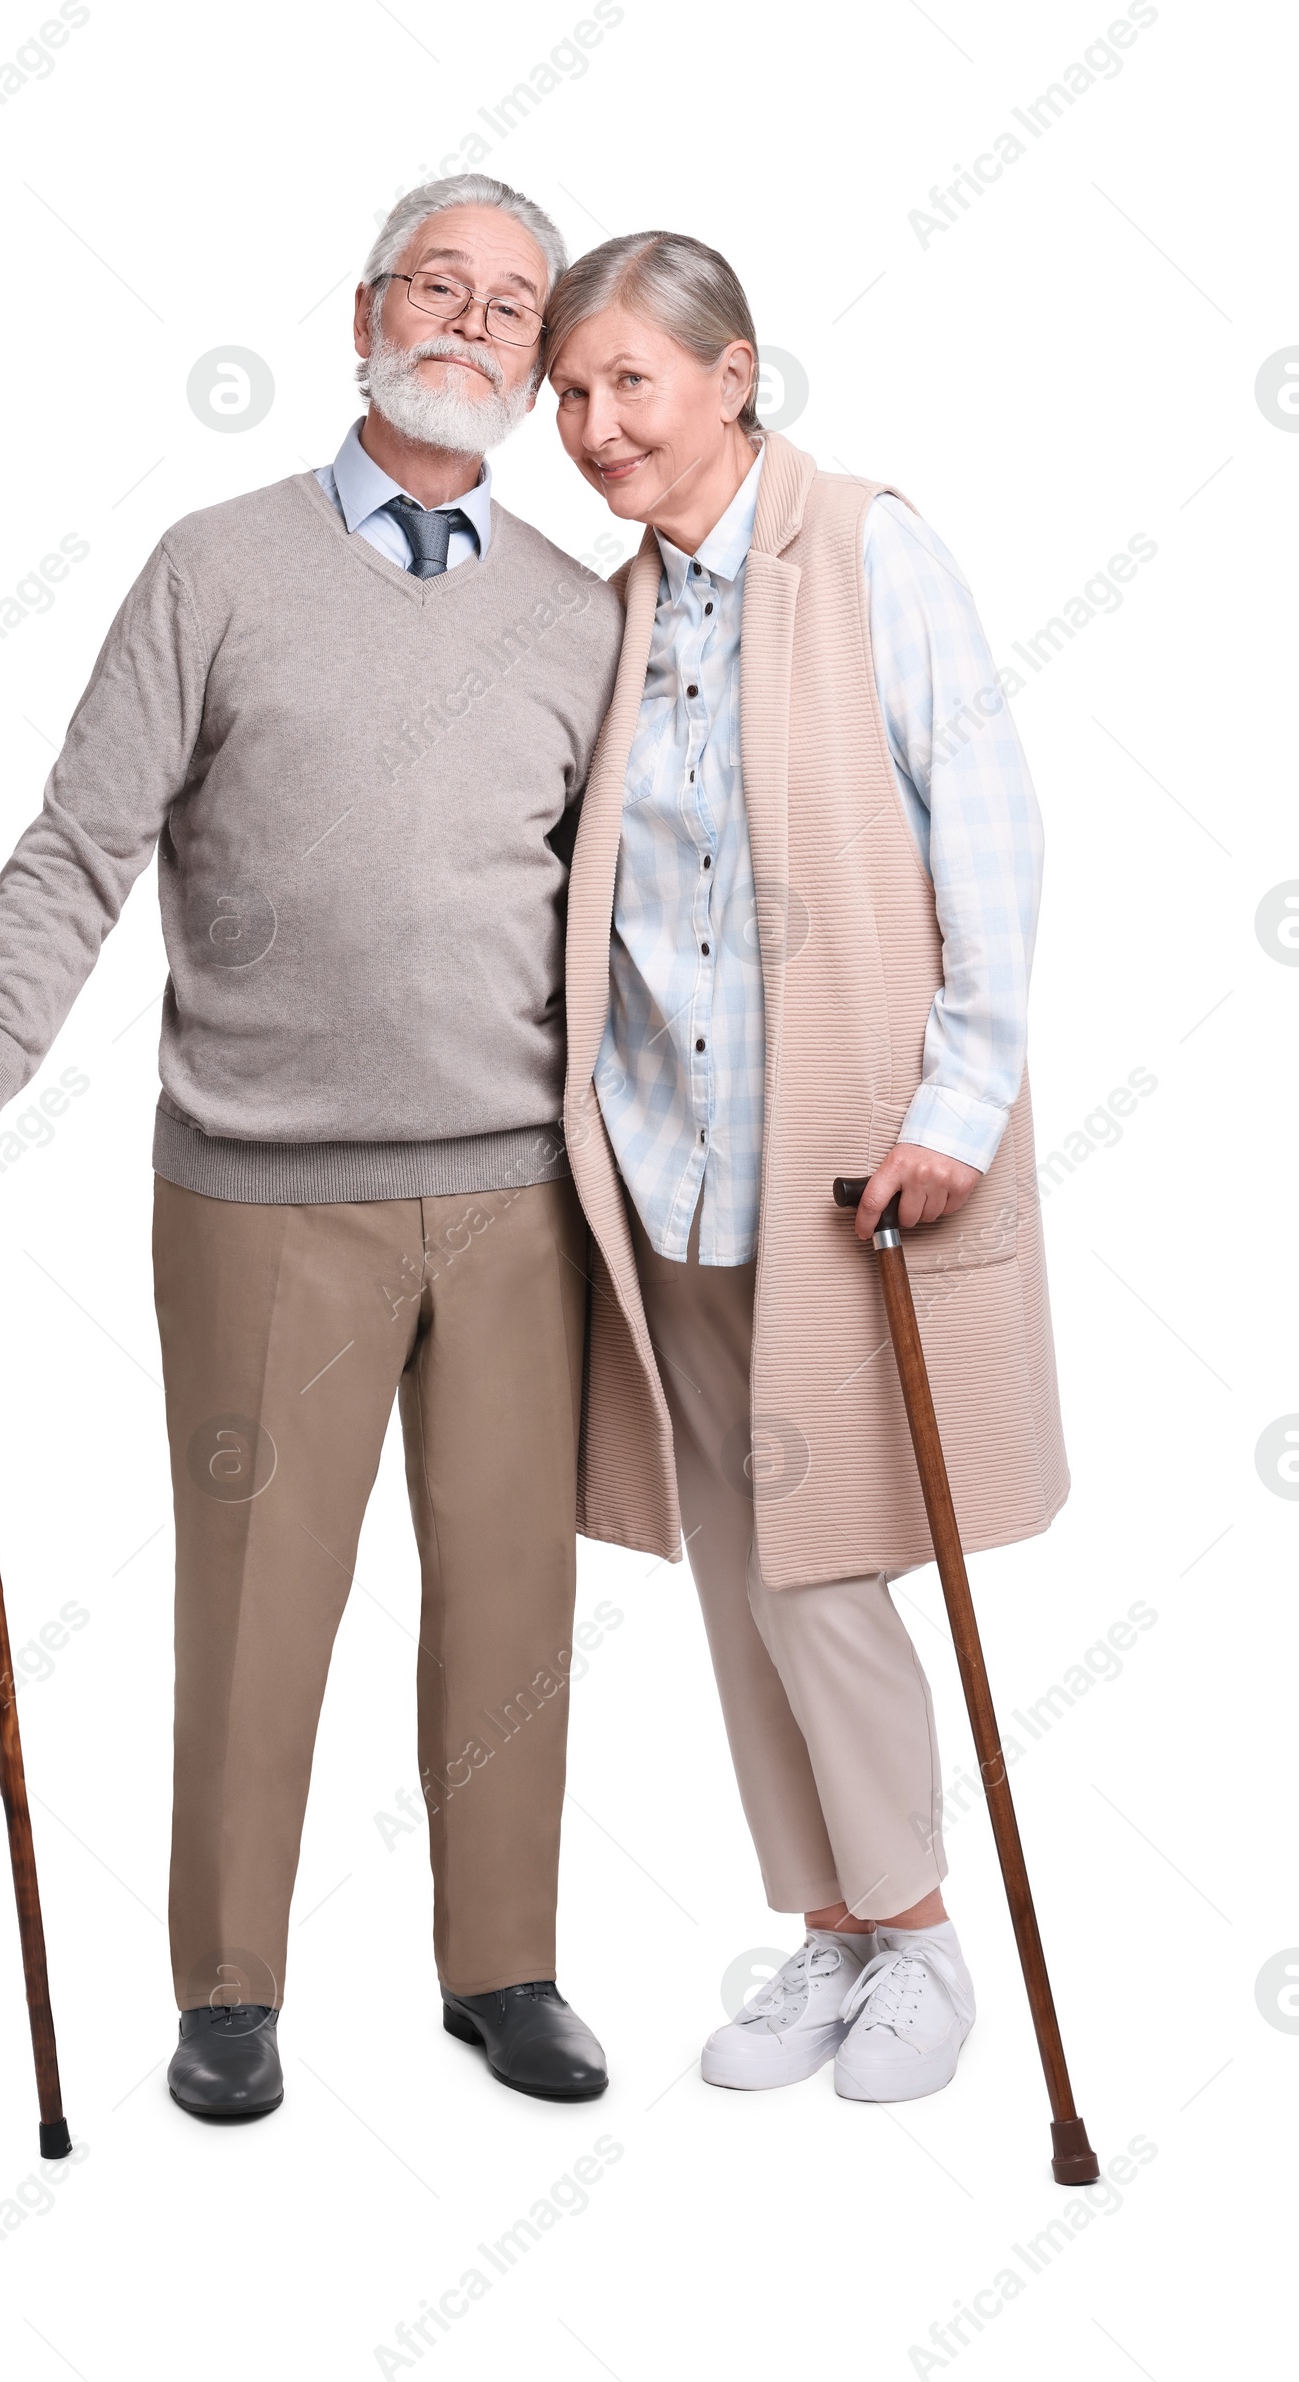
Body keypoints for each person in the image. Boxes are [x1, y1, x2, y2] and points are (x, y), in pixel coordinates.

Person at [0, 176, 623, 2121]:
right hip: (265, 1197)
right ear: (360, 309)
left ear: (535, 365)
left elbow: (645, 912)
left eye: (509, 305)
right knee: (261, 1593)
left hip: (525, 1196)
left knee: (511, 1597)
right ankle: (227, 1992)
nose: (468, 322)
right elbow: (80, 843)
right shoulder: (214, 567)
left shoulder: (571, 612)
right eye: (435, 285)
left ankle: (502, 1964)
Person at [543, 232, 1067, 2104]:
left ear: (733, 374)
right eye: (572, 394)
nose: (597, 426)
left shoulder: (863, 549)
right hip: (666, 1177)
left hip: (841, 1171)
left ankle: (917, 1933)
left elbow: (988, 827)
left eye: (632, 384)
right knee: (738, 1572)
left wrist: (959, 1101)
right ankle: (831, 1928)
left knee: (824, 1563)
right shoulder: (617, 606)